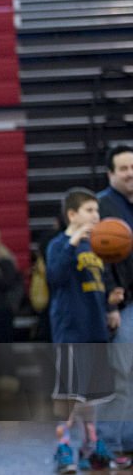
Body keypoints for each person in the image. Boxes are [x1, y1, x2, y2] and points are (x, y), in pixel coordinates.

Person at [47, 188, 131, 472]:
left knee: (92, 396)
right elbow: (55, 276)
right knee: (70, 395)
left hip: (95, 328)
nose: (96, 216)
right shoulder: (59, 244)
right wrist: (72, 242)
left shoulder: (97, 246)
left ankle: (92, 446)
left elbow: (99, 283)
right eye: (89, 211)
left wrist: (111, 301)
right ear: (72, 214)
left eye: (97, 210)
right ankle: (63, 447)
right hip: (71, 329)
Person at [97, 144, 133, 457]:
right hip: (124, 304)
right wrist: (110, 300)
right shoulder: (102, 207)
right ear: (111, 174)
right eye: (123, 168)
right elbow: (99, 259)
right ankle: (108, 442)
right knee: (122, 374)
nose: (130, 173)